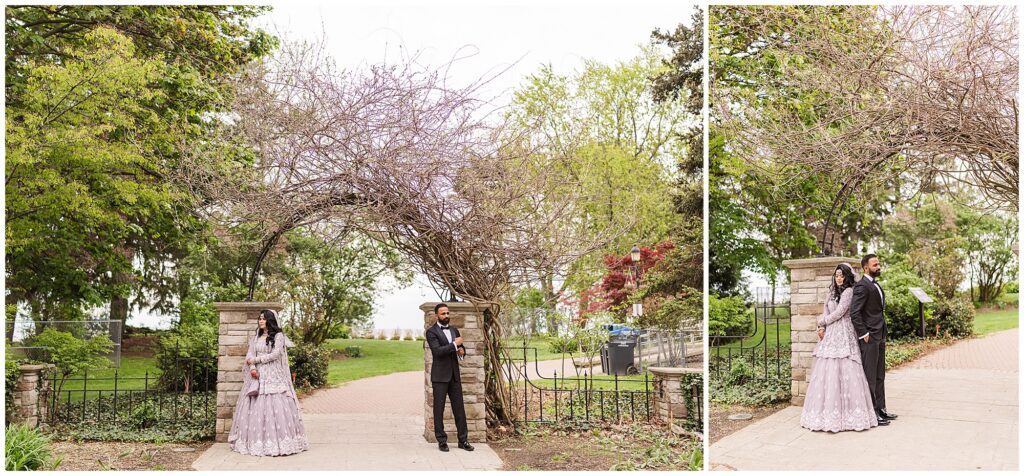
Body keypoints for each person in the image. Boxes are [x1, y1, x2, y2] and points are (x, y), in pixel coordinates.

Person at [800, 263, 879, 431]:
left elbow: (840, 312)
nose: (839, 278)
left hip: (844, 331)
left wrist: (822, 321)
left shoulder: (849, 292)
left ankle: (851, 415)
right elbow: (826, 311)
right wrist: (821, 327)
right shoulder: (831, 292)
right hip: (830, 334)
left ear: (847, 277)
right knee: (827, 368)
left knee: (846, 367)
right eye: (836, 275)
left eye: (842, 275)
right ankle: (825, 415)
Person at [228, 309, 309, 456]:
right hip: (257, 375)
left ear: (270, 320)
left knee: (275, 403)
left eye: (264, 319)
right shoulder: (256, 337)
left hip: (273, 374)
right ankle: (256, 442)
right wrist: (252, 367)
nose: (260, 321)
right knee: (255, 404)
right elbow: (250, 354)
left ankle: (279, 442)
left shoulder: (278, 336)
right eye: (259, 318)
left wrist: (257, 360)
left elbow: (276, 354)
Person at [850, 253, 898, 426]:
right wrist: (864, 334)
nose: (878, 266)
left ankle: (881, 409)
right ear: (866, 268)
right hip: (869, 337)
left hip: (880, 334)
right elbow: (854, 313)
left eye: (878, 264)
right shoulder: (862, 286)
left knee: (879, 375)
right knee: (870, 376)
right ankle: (872, 413)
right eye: (875, 264)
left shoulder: (875, 284)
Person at [425, 303, 473, 452]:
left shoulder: (454, 330)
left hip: (454, 375)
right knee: (438, 410)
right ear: (436, 315)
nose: (446, 316)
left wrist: (461, 351)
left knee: (459, 409)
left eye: (447, 313)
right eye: (443, 314)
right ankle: (442, 441)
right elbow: (438, 351)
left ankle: (463, 440)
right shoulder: (431, 332)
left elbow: (460, 348)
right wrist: (454, 344)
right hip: (439, 376)